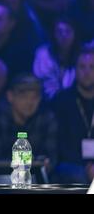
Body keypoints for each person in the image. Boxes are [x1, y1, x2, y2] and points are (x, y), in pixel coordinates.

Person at [0, 73, 58, 173]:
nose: (30, 102)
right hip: (1, 178)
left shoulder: (47, 118)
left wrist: (44, 164)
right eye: (24, 96)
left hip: (36, 177)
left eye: (35, 97)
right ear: (10, 96)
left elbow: (51, 157)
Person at [52, 43, 94, 184]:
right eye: (82, 67)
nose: (87, 72)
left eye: (92, 67)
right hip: (71, 164)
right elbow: (59, 144)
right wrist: (86, 167)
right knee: (75, 175)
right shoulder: (61, 101)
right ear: (75, 70)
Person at [34, 17, 80, 99]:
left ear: (75, 34)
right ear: (53, 34)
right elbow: (42, 83)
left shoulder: (82, 56)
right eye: (59, 32)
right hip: (47, 101)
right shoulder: (43, 54)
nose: (64, 35)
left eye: (68, 31)